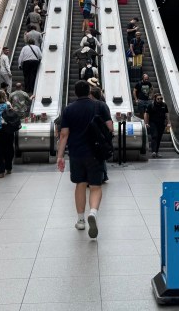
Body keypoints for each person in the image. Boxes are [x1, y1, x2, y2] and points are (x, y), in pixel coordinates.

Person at [57, 80, 113, 239]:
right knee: (95, 186)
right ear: (89, 90)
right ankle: (93, 213)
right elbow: (110, 128)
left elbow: (64, 134)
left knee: (80, 184)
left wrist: (60, 156)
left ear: (75, 92)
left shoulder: (68, 109)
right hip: (95, 153)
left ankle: (81, 220)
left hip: (76, 153)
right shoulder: (100, 106)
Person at [145, 93, 169, 158]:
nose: (160, 100)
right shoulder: (151, 105)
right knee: (154, 136)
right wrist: (146, 123)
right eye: (158, 98)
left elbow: (167, 114)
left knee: (159, 138)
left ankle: (157, 151)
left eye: (161, 98)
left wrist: (168, 123)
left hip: (161, 123)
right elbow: (146, 114)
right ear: (155, 99)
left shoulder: (164, 105)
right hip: (153, 123)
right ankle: (153, 152)